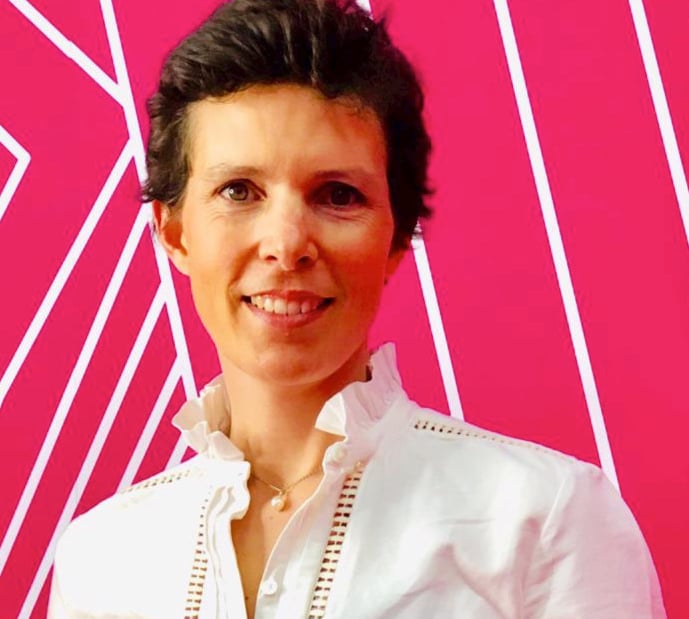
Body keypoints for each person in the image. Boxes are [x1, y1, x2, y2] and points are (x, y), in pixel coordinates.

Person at [48, 0, 666, 617]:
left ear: (396, 238)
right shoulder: (100, 557)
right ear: (175, 232)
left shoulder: (545, 521)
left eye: (338, 195)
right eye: (239, 191)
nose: (287, 244)